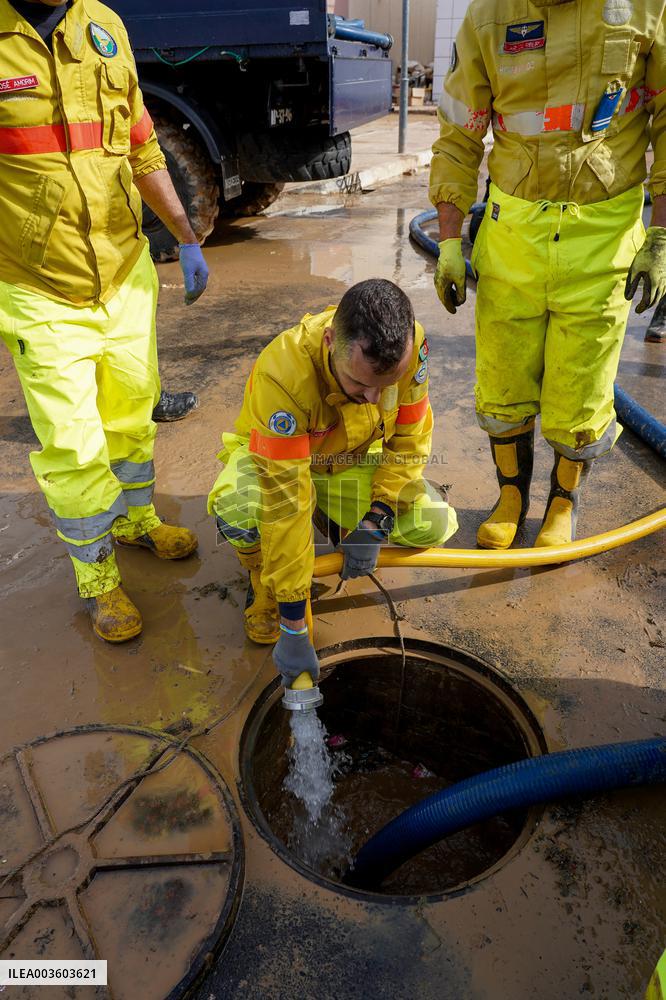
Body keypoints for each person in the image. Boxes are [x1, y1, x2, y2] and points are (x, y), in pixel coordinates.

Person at [0, 0, 210, 641]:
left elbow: (142, 144)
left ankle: (137, 520)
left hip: (124, 271)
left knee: (130, 411)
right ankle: (99, 580)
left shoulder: (105, 26)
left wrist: (186, 233)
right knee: (73, 444)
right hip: (38, 287)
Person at [430, 0, 665, 549]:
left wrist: (660, 234)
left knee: (580, 384)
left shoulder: (646, 8)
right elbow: (458, 134)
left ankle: (563, 502)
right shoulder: (489, 16)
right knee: (503, 377)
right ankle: (511, 495)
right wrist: (446, 240)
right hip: (514, 230)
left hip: (604, 230)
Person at [207, 279, 458, 686]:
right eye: (359, 384)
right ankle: (263, 581)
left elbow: (411, 439)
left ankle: (338, 521)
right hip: (281, 466)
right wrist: (293, 625)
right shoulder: (283, 375)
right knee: (238, 507)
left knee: (431, 522)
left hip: (349, 461)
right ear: (329, 342)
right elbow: (285, 503)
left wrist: (378, 519)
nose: (374, 398)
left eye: (385, 386)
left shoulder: (412, 348)